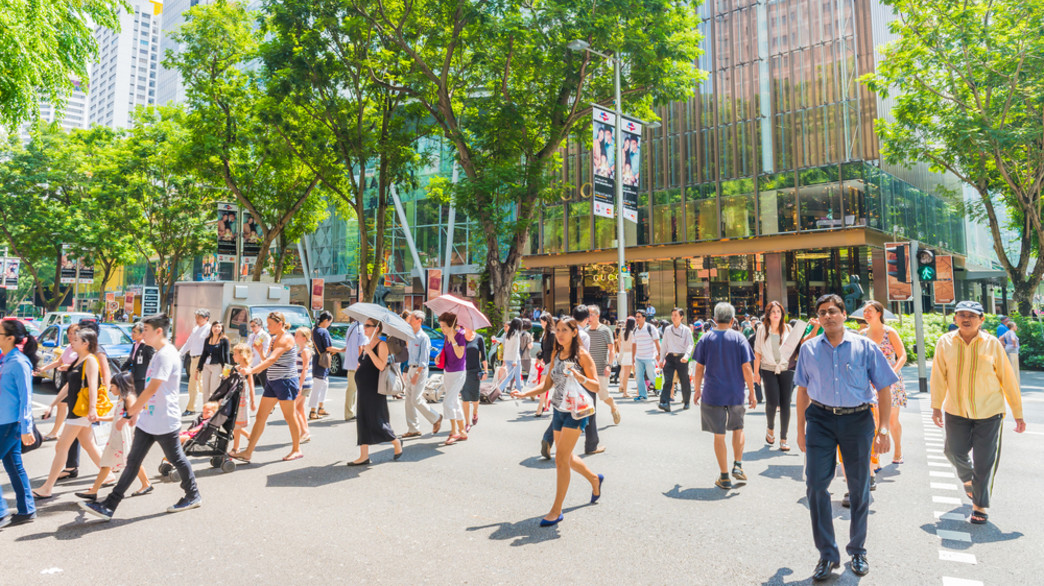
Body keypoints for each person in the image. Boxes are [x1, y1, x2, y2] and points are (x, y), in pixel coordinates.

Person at [794, 294, 897, 582]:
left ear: (843, 314)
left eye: (833, 311)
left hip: (858, 419)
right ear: (818, 317)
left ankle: (858, 550)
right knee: (815, 485)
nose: (828, 316)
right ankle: (827, 555)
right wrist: (800, 428)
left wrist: (884, 427)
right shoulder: (809, 349)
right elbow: (802, 390)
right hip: (821, 420)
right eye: (822, 312)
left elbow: (885, 386)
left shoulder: (865, 346)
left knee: (859, 486)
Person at [81, 314, 201, 521]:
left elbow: (152, 388)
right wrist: (139, 413)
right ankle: (109, 505)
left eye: (145, 329)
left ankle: (193, 495)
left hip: (164, 420)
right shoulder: (158, 353)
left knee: (176, 458)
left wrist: (130, 412)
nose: (141, 333)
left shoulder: (165, 355)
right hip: (150, 419)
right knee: (133, 461)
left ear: (158, 331)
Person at [931, 300, 1025, 525]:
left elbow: (1008, 380)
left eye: (972, 315)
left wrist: (1018, 413)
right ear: (955, 319)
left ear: (981, 320)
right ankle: (967, 479)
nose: (966, 318)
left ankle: (979, 505)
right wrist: (936, 406)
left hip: (989, 412)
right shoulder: (945, 343)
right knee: (953, 451)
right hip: (956, 410)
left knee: (984, 462)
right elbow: (938, 376)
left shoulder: (992, 344)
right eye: (961, 314)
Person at [511, 317, 603, 526]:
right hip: (558, 409)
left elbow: (596, 386)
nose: (560, 334)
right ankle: (594, 479)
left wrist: (580, 377)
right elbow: (546, 385)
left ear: (574, 333)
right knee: (567, 457)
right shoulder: (556, 353)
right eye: (557, 330)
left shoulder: (582, 356)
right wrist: (523, 394)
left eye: (564, 330)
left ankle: (556, 510)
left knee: (561, 460)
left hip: (576, 411)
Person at [33, 329, 107, 500]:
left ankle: (47, 487)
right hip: (77, 410)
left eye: (76, 339)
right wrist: (52, 404)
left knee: (61, 447)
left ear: (86, 343)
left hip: (81, 411)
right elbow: (68, 387)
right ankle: (108, 473)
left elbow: (93, 386)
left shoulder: (90, 361)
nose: (72, 341)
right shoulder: (78, 360)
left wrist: (93, 409)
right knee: (88, 444)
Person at [691, 303, 756, 490]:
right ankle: (738, 464)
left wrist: (697, 390)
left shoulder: (705, 338)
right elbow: (746, 367)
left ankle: (725, 476)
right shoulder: (739, 338)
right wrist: (752, 392)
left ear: (714, 319)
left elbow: (699, 367)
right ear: (733, 320)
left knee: (719, 436)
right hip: (735, 392)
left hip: (712, 394)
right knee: (738, 428)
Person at [232, 312, 303, 463]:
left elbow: (272, 359)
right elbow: (267, 359)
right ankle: (248, 452)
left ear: (279, 324)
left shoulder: (286, 339)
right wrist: (260, 352)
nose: (267, 326)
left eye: (270, 324)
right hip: (272, 381)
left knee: (290, 417)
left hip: (285, 382)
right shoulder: (274, 338)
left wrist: (251, 370)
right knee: (260, 417)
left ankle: (296, 449)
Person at [75, 373, 152, 501]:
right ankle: (94, 490)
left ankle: (146, 483)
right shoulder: (123, 398)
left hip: (123, 436)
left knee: (125, 462)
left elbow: (133, 412)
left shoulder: (129, 397)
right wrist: (101, 418)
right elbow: (116, 416)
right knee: (109, 462)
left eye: (112, 386)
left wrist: (124, 420)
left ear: (120, 385)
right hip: (117, 436)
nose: (110, 389)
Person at [347, 319, 404, 465]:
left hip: (375, 388)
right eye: (364, 325)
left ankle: (396, 441)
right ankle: (364, 455)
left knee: (377, 419)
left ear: (376, 328)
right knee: (363, 419)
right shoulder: (366, 343)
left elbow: (381, 365)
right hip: (363, 387)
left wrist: (369, 351)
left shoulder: (381, 344)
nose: (364, 327)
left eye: (367, 325)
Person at [0, 319, 38, 527]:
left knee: (14, 466)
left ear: (10, 338)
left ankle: (1, 512)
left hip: (10, 423)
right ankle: (26, 509)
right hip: (4, 421)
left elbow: (26, 397)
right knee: (15, 467)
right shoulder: (6, 359)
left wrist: (26, 428)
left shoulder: (20, 363)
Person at [860, 301, 907, 465]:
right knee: (875, 421)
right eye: (864, 311)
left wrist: (891, 373)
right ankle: (875, 458)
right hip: (871, 382)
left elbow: (902, 356)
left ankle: (898, 450)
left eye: (870, 311)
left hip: (891, 381)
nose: (866, 314)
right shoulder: (863, 334)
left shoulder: (890, 332)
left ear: (879, 313)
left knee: (892, 420)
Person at [753, 301, 795, 451]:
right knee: (772, 402)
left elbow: (795, 348)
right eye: (773, 312)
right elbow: (757, 352)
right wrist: (755, 373)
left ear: (782, 314)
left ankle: (784, 438)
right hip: (768, 369)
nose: (776, 314)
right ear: (768, 315)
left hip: (786, 369)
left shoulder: (788, 328)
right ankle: (770, 428)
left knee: (785, 404)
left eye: (778, 311)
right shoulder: (761, 329)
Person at [35, 322, 80, 440]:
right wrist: (43, 369)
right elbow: (59, 361)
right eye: (69, 333)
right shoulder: (69, 348)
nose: (70, 336)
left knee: (69, 407)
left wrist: (68, 366)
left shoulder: (80, 349)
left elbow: (80, 365)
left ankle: (68, 433)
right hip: (65, 379)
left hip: (73, 380)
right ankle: (57, 432)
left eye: (73, 333)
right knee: (61, 405)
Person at [402, 310, 442, 439]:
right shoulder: (410, 335)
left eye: (412, 318)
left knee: (416, 399)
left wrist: (416, 374)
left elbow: (424, 361)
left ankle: (436, 417)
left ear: (419, 320)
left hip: (420, 370)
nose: (409, 320)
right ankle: (413, 428)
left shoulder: (424, 337)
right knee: (408, 399)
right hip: (411, 368)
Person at [585, 306, 621, 424]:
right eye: (587, 315)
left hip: (601, 368)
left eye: (591, 315)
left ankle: (613, 406)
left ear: (597, 316)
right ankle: (588, 423)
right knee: (586, 396)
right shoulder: (585, 331)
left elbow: (611, 350)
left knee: (603, 395)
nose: (589, 317)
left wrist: (609, 365)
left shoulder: (605, 330)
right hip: (588, 369)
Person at [438, 312, 469, 445]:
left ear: (451, 326)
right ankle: (462, 431)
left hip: (458, 373)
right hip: (448, 371)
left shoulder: (460, 336)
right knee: (455, 401)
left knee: (448, 402)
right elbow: (446, 351)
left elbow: (460, 354)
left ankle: (453, 431)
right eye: (441, 326)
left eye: (444, 326)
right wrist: (439, 356)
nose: (442, 329)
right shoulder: (446, 337)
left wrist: (453, 339)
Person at [309, 312, 344, 421]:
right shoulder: (324, 331)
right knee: (318, 386)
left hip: (316, 359)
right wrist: (342, 350)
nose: (330, 324)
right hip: (322, 362)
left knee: (324, 384)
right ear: (326, 320)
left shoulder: (314, 330)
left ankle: (321, 407)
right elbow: (328, 347)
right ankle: (313, 411)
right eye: (330, 321)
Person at [659, 307, 694, 413]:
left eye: (676, 315)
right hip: (669, 357)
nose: (673, 317)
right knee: (668, 380)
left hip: (682, 357)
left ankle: (686, 401)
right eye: (672, 315)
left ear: (681, 317)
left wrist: (686, 356)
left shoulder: (686, 330)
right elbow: (664, 345)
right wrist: (661, 360)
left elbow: (690, 344)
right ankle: (664, 402)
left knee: (684, 380)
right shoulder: (668, 329)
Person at [179, 309, 211, 416]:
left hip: (202, 359)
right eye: (196, 317)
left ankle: (207, 406)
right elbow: (188, 343)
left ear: (206, 318)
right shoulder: (196, 329)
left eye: (199, 317)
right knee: (195, 384)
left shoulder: (209, 329)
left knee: (199, 384)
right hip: (193, 358)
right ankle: (193, 407)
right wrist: (179, 353)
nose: (196, 319)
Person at [230, 343, 257, 453]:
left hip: (241, 400)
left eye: (235, 354)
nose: (233, 356)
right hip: (233, 398)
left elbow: (251, 385)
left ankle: (236, 448)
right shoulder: (235, 368)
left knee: (236, 424)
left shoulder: (247, 369)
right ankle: (248, 435)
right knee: (234, 423)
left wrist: (253, 401)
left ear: (242, 355)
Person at [196, 321, 230, 406]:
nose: (217, 328)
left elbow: (226, 355)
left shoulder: (224, 340)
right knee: (205, 389)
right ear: (211, 328)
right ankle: (205, 410)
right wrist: (198, 368)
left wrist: (227, 371)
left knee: (214, 389)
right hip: (207, 366)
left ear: (222, 329)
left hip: (217, 366)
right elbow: (204, 354)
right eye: (215, 326)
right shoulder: (207, 339)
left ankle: (213, 409)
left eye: (219, 327)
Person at [460, 327, 486, 431]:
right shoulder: (460, 338)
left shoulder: (479, 338)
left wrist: (486, 371)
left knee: (475, 399)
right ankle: (467, 423)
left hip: (475, 372)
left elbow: (484, 356)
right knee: (465, 399)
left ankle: (475, 412)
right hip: (462, 372)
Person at [342, 318, 368, 421]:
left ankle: (350, 412)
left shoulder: (352, 326)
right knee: (354, 389)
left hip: (351, 362)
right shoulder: (361, 328)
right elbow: (360, 347)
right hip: (356, 363)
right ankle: (349, 413)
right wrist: (360, 361)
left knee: (351, 389)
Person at [632, 310, 661, 401]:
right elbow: (634, 344)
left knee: (652, 376)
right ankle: (642, 395)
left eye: (639, 316)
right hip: (639, 358)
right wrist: (633, 357)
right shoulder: (635, 330)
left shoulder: (651, 328)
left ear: (644, 318)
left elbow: (657, 342)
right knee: (639, 377)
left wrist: (659, 354)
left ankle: (663, 390)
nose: (637, 318)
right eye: (636, 316)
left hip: (650, 357)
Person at [293, 327, 314, 444]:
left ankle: (305, 432)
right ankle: (305, 432)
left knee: (293, 408)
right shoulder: (301, 349)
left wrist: (299, 385)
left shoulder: (305, 351)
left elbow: (305, 368)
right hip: (304, 383)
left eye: (297, 335)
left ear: (304, 338)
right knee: (300, 409)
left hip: (304, 384)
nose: (295, 337)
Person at [123, 322, 155, 395]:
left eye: (135, 332)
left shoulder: (147, 346)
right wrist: (120, 372)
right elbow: (130, 361)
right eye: (132, 331)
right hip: (134, 379)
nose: (132, 334)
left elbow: (153, 361)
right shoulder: (135, 345)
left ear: (142, 334)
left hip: (143, 380)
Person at [494, 318, 524, 394]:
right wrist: (514, 360)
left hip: (507, 358)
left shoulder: (507, 334)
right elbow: (516, 348)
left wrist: (504, 358)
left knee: (510, 376)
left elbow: (505, 347)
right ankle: (518, 391)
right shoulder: (516, 334)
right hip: (515, 358)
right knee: (517, 376)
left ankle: (499, 389)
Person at [535, 314, 557, 413]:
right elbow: (544, 350)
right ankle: (542, 407)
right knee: (545, 385)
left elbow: (555, 349)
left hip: (552, 363)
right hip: (548, 362)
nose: (541, 324)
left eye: (542, 321)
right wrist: (540, 357)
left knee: (544, 385)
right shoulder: (546, 334)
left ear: (546, 322)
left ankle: (541, 408)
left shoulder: (552, 334)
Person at [246, 317, 270, 390]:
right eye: (251, 326)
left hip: (261, 363)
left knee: (265, 386)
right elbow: (248, 347)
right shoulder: (251, 335)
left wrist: (261, 363)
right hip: (252, 364)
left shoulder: (263, 335)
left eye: (254, 326)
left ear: (260, 326)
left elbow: (265, 350)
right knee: (249, 386)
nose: (252, 328)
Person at [617, 317, 636, 398]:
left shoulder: (623, 332)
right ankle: (639, 391)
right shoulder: (634, 333)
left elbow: (619, 341)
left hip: (625, 354)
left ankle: (624, 392)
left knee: (626, 374)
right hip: (633, 354)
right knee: (636, 373)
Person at [998, 321, 1020, 386]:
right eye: (1015, 326)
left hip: (1007, 347)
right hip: (1012, 349)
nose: (1016, 327)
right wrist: (1015, 345)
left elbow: (1000, 338)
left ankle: (1009, 377)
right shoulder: (1012, 332)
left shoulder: (1007, 332)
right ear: (1012, 327)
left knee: (1009, 362)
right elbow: (1013, 339)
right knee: (1014, 363)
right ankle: (1014, 378)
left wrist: (1004, 344)